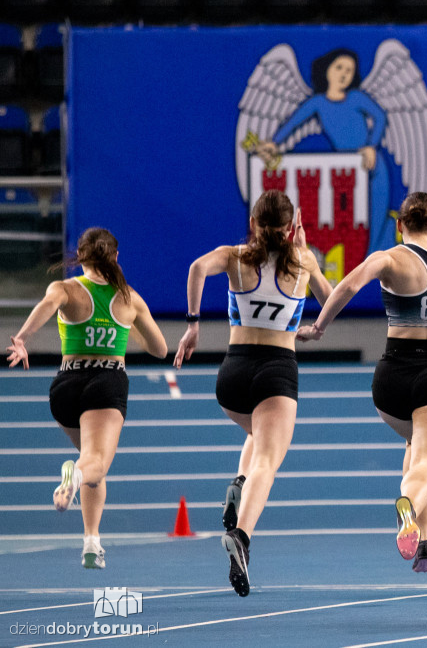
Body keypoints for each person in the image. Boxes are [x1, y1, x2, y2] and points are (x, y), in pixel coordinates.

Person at [297, 191, 427, 573]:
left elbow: (347, 286)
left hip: (391, 381)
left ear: (400, 226)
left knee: (418, 447)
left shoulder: (388, 258)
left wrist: (318, 328)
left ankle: (426, 541)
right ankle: (408, 506)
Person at [173, 190, 332, 597]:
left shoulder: (234, 256)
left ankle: (239, 482)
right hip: (276, 370)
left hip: (233, 373)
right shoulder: (304, 261)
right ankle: (241, 536)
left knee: (258, 436)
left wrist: (193, 325)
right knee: (268, 458)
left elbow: (195, 268)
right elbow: (331, 300)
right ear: (292, 227)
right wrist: (316, 327)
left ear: (253, 225)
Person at [6, 228, 167, 569]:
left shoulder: (64, 289)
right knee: (94, 463)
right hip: (106, 382)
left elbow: (45, 307)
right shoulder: (129, 299)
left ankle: (92, 542)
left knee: (91, 460)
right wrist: (128, 326)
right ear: (116, 258)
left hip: (65, 384)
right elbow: (159, 349)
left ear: (79, 256)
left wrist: (22, 339)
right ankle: (73, 477)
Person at [256, 48, 393, 254]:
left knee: (375, 219)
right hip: (347, 171)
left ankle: (376, 257)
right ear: (327, 70)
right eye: (339, 67)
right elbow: (293, 123)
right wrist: (274, 144)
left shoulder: (356, 97)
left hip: (371, 166)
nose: (344, 73)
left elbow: (380, 117)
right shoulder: (318, 103)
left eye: (349, 70)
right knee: (352, 221)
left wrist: (371, 146)